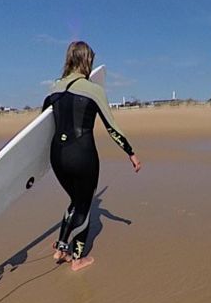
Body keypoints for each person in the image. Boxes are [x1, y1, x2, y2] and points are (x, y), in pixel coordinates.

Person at [43, 41, 141, 271]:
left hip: (57, 156)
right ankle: (77, 259)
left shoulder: (53, 89)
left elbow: (44, 127)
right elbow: (112, 127)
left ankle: (61, 249)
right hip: (82, 155)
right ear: (87, 61)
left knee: (74, 202)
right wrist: (131, 152)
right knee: (84, 206)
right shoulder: (94, 90)